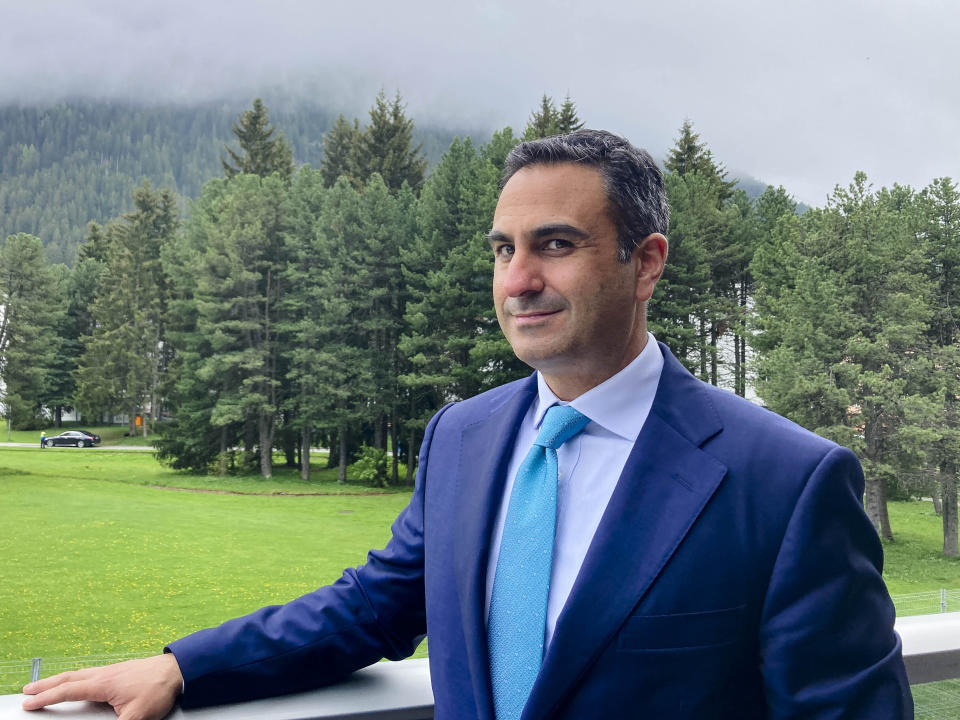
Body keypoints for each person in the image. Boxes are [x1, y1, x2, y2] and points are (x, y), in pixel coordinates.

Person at [23, 130, 912, 719]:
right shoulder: (464, 438)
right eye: (502, 248)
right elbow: (372, 609)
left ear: (646, 264)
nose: (517, 279)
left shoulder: (786, 482)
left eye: (555, 245)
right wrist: (186, 668)